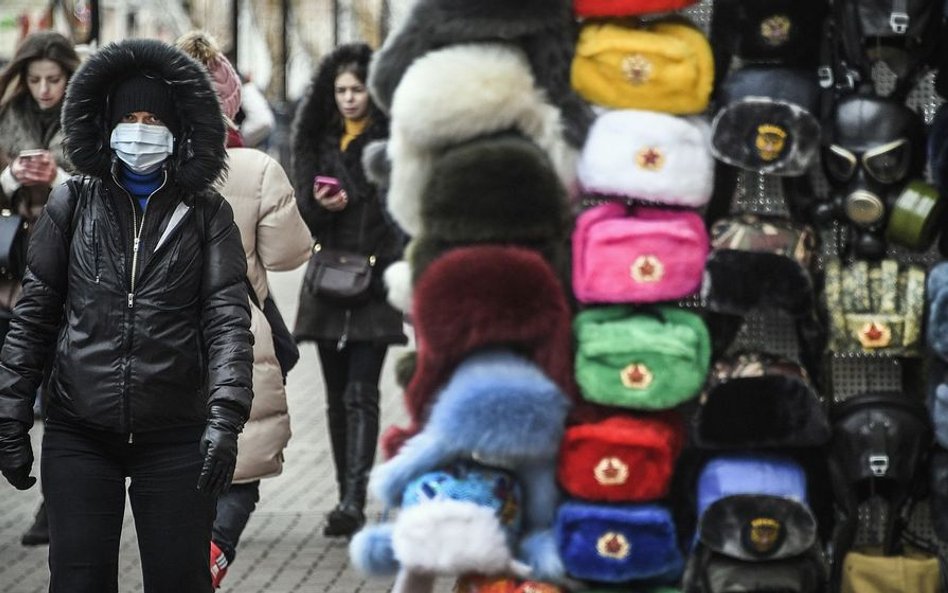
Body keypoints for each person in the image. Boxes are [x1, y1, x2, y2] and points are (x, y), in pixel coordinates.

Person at [0, 38, 253, 593]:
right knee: (79, 578)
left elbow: (228, 322)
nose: (140, 130)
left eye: (153, 119)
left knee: (178, 580)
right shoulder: (73, 203)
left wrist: (225, 419)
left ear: (178, 129)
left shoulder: (207, 213)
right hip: (80, 429)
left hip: (177, 433)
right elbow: (35, 315)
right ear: (108, 125)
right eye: (129, 117)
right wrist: (11, 414)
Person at [176, 30, 312, 588]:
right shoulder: (254, 168)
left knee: (177, 451)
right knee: (243, 451)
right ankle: (215, 548)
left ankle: (183, 551)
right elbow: (289, 255)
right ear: (229, 104)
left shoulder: (142, 171)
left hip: (164, 327)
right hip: (239, 322)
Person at [291, 43, 407, 537]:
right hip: (327, 279)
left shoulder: (393, 143)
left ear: (373, 91)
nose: (348, 98)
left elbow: (403, 215)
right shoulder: (318, 142)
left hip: (376, 283)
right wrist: (320, 206)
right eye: (340, 90)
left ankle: (354, 498)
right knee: (336, 397)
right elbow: (301, 217)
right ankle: (344, 496)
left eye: (357, 89)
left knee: (362, 393)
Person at [0, 30, 80, 547]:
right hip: (10, 273)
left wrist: (57, 179)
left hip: (67, 271)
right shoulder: (7, 119)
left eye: (54, 80)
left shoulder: (87, 119)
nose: (45, 89)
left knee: (59, 394)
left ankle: (53, 507)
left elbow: (102, 185)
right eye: (35, 80)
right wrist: (10, 177)